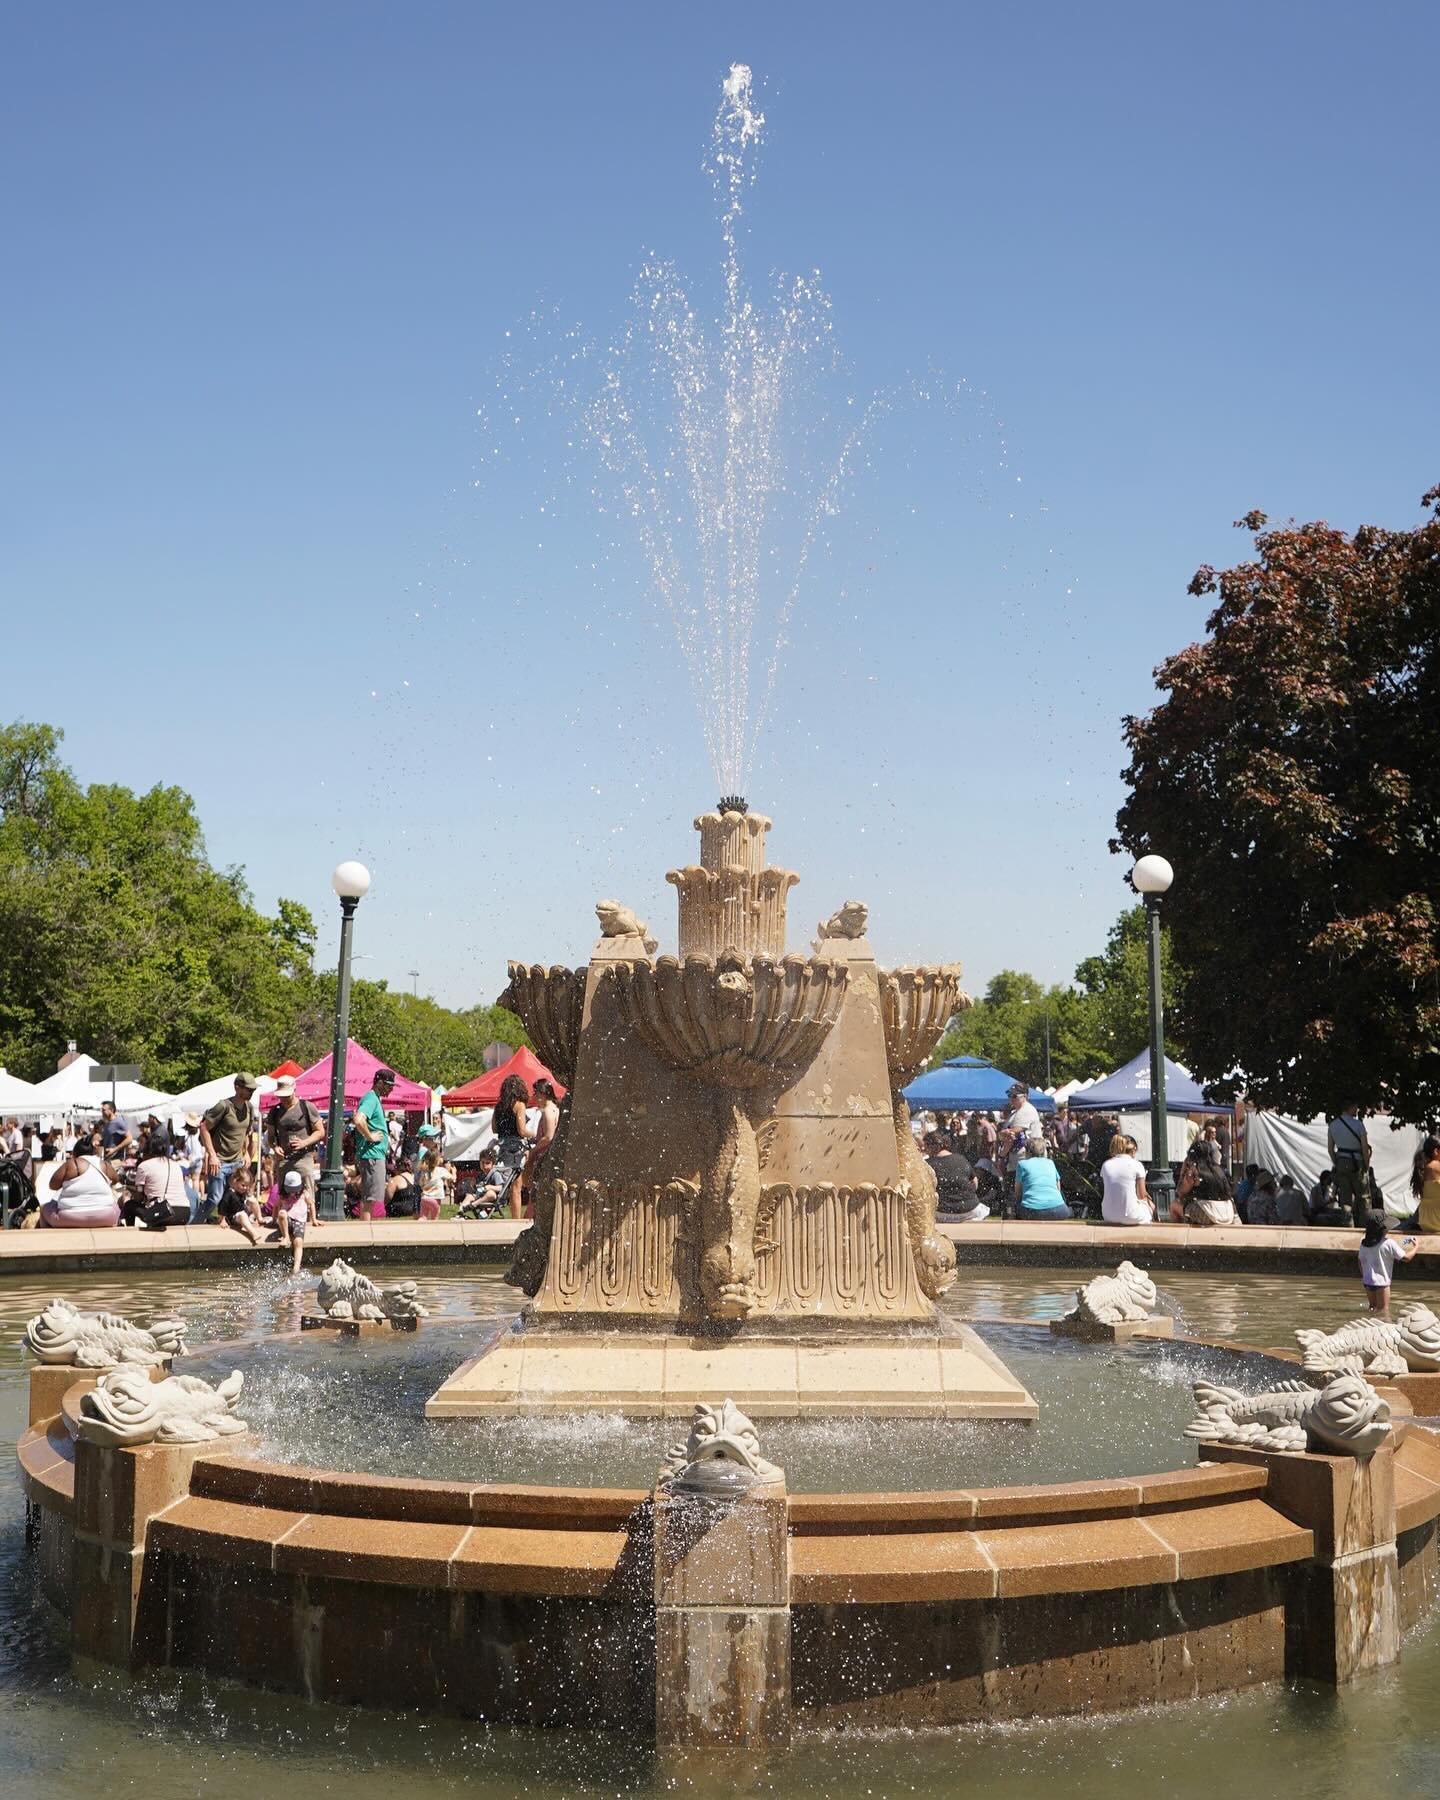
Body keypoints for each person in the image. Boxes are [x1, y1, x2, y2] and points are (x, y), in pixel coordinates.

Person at [200, 1075, 258, 1219]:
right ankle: (193, 1225)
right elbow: (204, 1127)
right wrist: (212, 1155)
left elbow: (247, 1133)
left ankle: (223, 1223)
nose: (251, 1092)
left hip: (237, 1161)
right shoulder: (224, 1106)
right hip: (219, 1161)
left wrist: (246, 1154)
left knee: (231, 1199)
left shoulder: (249, 1108)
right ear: (237, 1087)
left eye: (253, 1089)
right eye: (248, 1089)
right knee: (215, 1198)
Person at [265, 1076, 325, 1207]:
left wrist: (304, 1142)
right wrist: (274, 1147)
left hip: (304, 1157)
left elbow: (320, 1132)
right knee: (283, 1193)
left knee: (308, 1192)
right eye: (281, 1096)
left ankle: (310, 1218)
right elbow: (270, 1136)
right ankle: (282, 1220)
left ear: (294, 1090)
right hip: (284, 1158)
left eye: (287, 1095)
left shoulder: (307, 1107)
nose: (284, 1099)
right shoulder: (274, 1112)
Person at [41, 1139, 120, 1229]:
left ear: (75, 1152)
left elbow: (53, 1185)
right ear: (92, 1152)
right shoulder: (104, 1165)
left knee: (45, 1208)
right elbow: (116, 1179)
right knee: (115, 1205)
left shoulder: (71, 1164)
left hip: (69, 1218)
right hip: (106, 1216)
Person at [124, 1128, 190, 1229]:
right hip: (184, 1212)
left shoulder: (144, 1166)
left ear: (147, 1151)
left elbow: (139, 1197)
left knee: (129, 1205)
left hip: (163, 1213)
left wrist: (129, 1189)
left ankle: (131, 1237)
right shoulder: (175, 1164)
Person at [352, 1069, 395, 1221]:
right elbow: (358, 1120)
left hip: (374, 1155)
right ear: (380, 1082)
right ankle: (365, 1235)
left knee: (371, 1197)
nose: (391, 1089)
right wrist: (370, 1136)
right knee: (370, 1198)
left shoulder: (374, 1098)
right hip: (372, 1155)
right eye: (389, 1085)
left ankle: (368, 1232)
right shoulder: (370, 1098)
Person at [491, 1073, 533, 1221]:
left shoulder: (498, 1107)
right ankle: (516, 1220)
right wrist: (534, 1134)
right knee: (516, 1186)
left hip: (502, 1148)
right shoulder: (519, 1106)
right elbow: (522, 1130)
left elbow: (494, 1129)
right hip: (515, 1148)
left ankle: (511, 1216)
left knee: (507, 1183)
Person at [1358, 1211, 1417, 1315]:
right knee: (1383, 1311)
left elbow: (1360, 1261)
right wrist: (1416, 1246)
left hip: (1368, 1282)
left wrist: (1364, 1276)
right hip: (1382, 1284)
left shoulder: (1364, 1244)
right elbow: (1406, 1258)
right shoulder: (1389, 1243)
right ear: (1383, 1228)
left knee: (1372, 1308)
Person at [924, 1130, 988, 1222]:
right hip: (970, 1210)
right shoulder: (961, 1159)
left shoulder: (927, 1165)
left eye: (926, 1146)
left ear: (934, 1146)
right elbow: (975, 1183)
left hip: (941, 1213)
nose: (925, 1149)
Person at [1327, 1106, 1372, 1228]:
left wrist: (1336, 1163)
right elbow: (1364, 1148)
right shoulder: (1358, 1125)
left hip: (1341, 1161)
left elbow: (1330, 1149)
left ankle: (1348, 1226)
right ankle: (1365, 1227)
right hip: (1357, 1163)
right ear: (1350, 1107)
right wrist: (1366, 1166)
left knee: (1345, 1199)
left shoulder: (1333, 1125)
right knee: (1364, 1199)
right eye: (1356, 1107)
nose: (1358, 1110)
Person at [1012, 1136, 1073, 1220]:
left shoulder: (1022, 1164)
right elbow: (1058, 1189)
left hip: (1031, 1212)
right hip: (1059, 1211)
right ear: (1044, 1151)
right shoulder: (1050, 1163)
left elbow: (1018, 1193)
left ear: (1027, 1151)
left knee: (1015, 1205)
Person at [1099, 1133, 1153, 1226]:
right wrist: (1150, 1203)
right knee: (1149, 1208)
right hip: (1130, 1216)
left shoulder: (1106, 1165)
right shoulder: (1137, 1165)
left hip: (1108, 1215)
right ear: (1134, 1149)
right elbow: (1141, 1196)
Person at [276, 1168, 314, 1274]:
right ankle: (286, 1236)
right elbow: (276, 1207)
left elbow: (311, 1205)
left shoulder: (304, 1194)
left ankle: (296, 1267)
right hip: (286, 1221)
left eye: (295, 1190)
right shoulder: (283, 1195)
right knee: (282, 1213)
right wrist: (274, 1219)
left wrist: (314, 1219)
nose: (293, 1193)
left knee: (298, 1241)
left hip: (299, 1221)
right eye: (291, 1190)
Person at [217, 1163, 266, 1245]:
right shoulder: (230, 1193)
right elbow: (223, 1206)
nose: (245, 1188)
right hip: (233, 1217)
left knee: (253, 1200)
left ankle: (259, 1219)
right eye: (243, 1185)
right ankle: (253, 1233)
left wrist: (249, 1199)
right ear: (235, 1181)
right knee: (242, 1215)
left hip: (242, 1211)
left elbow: (247, 1201)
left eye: (247, 1186)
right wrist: (222, 1220)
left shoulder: (242, 1191)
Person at [457, 1146, 509, 1217]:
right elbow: (479, 1188)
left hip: (494, 1199)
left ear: (493, 1164)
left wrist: (490, 1187)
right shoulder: (481, 1175)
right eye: (482, 1163)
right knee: (469, 1196)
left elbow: (501, 1187)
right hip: (481, 1197)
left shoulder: (495, 1174)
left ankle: (473, 1205)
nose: (484, 1166)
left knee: (491, 1193)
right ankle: (460, 1211)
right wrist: (473, 1187)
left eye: (487, 1163)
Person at [1409, 1137, 1440, 1234]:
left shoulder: (1425, 1168)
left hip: (1425, 1220)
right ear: (1436, 1151)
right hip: (1436, 1221)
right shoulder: (1435, 1166)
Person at [98, 1100, 132, 1167]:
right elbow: (110, 1139)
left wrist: (114, 1149)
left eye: (103, 1110)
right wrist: (99, 1142)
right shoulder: (107, 1123)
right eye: (101, 1110)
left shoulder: (119, 1122)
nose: (102, 1112)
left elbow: (130, 1138)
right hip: (107, 1160)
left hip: (116, 1161)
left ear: (111, 1110)